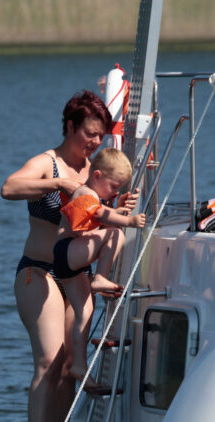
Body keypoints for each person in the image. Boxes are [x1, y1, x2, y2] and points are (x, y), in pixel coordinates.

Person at [0, 90, 137, 422]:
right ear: (71, 126)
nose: (95, 142)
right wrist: (58, 185)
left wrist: (119, 209)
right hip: (38, 273)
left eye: (101, 135)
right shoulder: (49, 163)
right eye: (89, 134)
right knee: (48, 360)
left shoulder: (98, 168)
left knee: (65, 368)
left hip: (73, 278)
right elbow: (9, 188)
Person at [54, 148, 145, 380]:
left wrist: (117, 209)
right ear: (96, 176)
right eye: (113, 187)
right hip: (67, 251)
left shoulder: (94, 197)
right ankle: (100, 277)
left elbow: (97, 218)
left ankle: (79, 364)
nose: (115, 192)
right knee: (117, 234)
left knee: (85, 312)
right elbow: (101, 214)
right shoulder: (86, 193)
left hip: (67, 261)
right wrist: (128, 220)